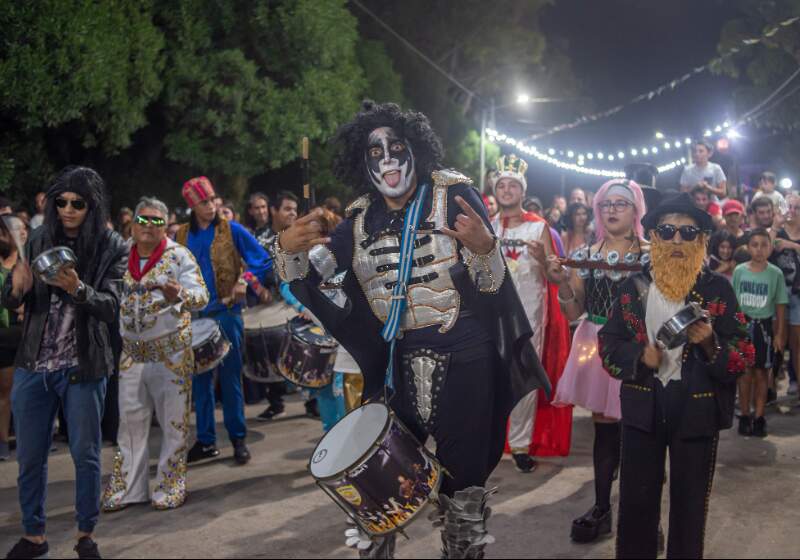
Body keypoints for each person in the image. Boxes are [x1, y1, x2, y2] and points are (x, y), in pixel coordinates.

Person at [274, 101, 550, 558]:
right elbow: (312, 275)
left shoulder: (452, 193)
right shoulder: (359, 219)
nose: (386, 159)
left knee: (463, 488)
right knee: (374, 479)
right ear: (363, 162)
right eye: (375, 151)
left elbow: (491, 285)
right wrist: (287, 248)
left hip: (466, 358)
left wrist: (484, 251)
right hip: (395, 365)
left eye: (396, 147)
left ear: (415, 150)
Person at [598, 192, 753, 558]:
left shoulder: (718, 290)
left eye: (688, 233)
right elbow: (608, 347)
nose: (677, 240)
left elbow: (744, 355)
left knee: (689, 507)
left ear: (701, 240)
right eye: (667, 231)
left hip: (696, 409)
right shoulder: (631, 290)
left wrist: (711, 344)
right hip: (642, 409)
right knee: (636, 505)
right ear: (654, 237)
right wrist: (640, 357)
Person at [3, 166, 128, 560]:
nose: (68, 209)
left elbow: (111, 308)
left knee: (86, 454)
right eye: (61, 202)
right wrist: (15, 288)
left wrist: (77, 288)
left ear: (92, 205)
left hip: (83, 365)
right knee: (30, 457)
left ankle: (85, 535)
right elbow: (14, 300)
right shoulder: (40, 237)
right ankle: (34, 536)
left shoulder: (112, 245)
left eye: (77, 203)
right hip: (34, 364)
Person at [550, 179, 649, 544]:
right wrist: (561, 284)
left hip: (640, 349)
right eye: (606, 203)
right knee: (605, 432)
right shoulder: (587, 254)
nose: (611, 209)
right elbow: (575, 309)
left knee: (640, 431)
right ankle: (602, 507)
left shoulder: (653, 254)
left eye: (621, 203)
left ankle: (642, 513)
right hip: (596, 348)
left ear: (636, 209)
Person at [101, 198, 209, 512]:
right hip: (132, 354)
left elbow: (202, 296)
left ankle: (170, 486)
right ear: (132, 223)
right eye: (143, 220)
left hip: (170, 353)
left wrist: (181, 295)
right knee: (130, 424)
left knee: (173, 424)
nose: (149, 227)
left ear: (165, 225)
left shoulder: (179, 255)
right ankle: (129, 490)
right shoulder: (120, 255)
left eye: (156, 221)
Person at [176, 176, 272, 465]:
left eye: (213, 199)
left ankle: (237, 438)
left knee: (231, 378)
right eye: (204, 201)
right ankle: (205, 441)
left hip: (226, 314)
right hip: (194, 317)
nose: (211, 205)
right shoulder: (180, 236)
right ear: (192, 205)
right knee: (200, 382)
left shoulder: (232, 230)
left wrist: (245, 279)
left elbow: (262, 258)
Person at [489, 154, 571, 473]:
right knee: (491, 378)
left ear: (522, 191)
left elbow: (553, 274)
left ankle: (520, 445)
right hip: (493, 314)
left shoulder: (539, 228)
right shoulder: (488, 225)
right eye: (502, 185)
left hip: (530, 312)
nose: (507, 190)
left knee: (523, 379)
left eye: (513, 185)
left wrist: (543, 262)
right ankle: (492, 440)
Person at [251, 190, 300, 421]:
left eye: (295, 210)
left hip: (300, 301)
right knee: (273, 353)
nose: (293, 213)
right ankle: (276, 401)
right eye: (287, 209)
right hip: (273, 301)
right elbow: (248, 268)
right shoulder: (258, 238)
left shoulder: (300, 234)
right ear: (274, 211)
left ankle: (312, 399)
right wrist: (257, 287)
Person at [734, 229, 787, 437]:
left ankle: (760, 417)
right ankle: (745, 415)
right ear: (748, 247)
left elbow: (781, 305)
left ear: (770, 247)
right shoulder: (739, 271)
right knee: (744, 374)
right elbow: (734, 303)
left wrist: (780, 334)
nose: (759, 249)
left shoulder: (775, 273)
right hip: (742, 327)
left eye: (764, 245)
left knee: (762, 373)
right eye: (754, 245)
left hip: (764, 328)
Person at [0, 216, 24, 462]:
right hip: (4, 336)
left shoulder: (30, 261)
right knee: (5, 394)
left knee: (25, 392)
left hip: (26, 335)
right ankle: (3, 441)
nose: (21, 234)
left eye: (23, 229)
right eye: (15, 230)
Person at [774, 193, 800, 396]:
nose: (791, 211)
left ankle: (796, 383)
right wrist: (775, 225)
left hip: (798, 295)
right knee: (777, 342)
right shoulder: (778, 230)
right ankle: (771, 386)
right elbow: (763, 250)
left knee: (796, 343)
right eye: (788, 207)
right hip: (777, 295)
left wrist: (792, 245)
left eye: (796, 207)